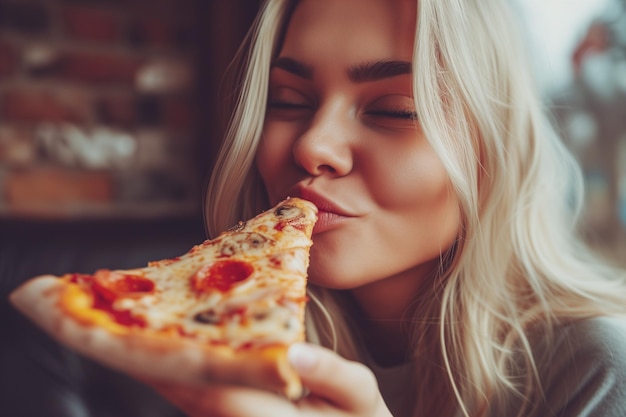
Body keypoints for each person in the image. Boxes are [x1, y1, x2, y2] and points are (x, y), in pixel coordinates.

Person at [146, 0, 626, 416]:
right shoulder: (228, 334)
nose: (314, 144)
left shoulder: (598, 370)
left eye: (394, 110)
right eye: (288, 100)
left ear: (494, 151)